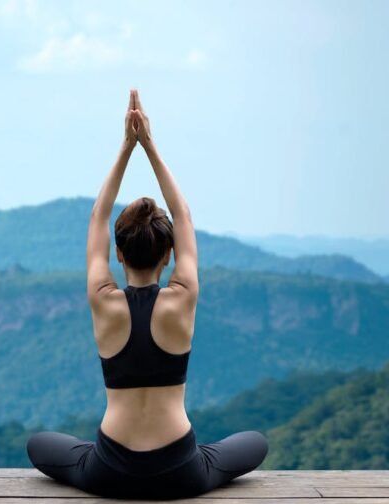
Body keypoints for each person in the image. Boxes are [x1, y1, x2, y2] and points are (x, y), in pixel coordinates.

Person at [25, 89, 269, 500]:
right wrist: (149, 145)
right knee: (255, 442)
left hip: (109, 469)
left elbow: (97, 216)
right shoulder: (182, 296)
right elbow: (184, 215)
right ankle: (201, 458)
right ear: (170, 254)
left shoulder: (104, 301)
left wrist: (126, 146)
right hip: (181, 470)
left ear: (117, 254)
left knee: (39, 444)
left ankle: (99, 456)